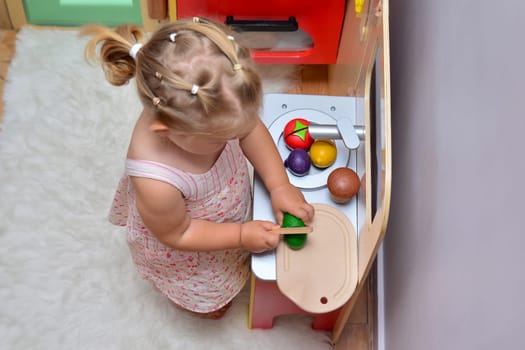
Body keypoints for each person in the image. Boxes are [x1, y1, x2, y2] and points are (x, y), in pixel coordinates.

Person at [82, 17, 314, 319]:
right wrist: (241, 235)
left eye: (238, 130)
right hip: (186, 242)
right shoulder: (156, 184)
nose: (235, 137)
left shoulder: (210, 110)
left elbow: (250, 130)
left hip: (219, 207)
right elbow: (179, 233)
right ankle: (193, 301)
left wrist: (279, 184)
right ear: (167, 131)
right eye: (224, 137)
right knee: (212, 304)